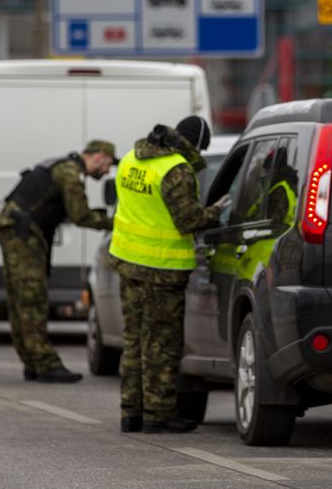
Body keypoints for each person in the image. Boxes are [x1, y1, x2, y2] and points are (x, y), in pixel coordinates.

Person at [109, 116, 227, 434]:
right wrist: (217, 210)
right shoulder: (176, 169)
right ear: (195, 143)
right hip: (161, 270)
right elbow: (188, 220)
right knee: (161, 344)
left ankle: (131, 413)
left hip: (127, 262)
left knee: (134, 342)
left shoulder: (132, 159)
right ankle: (158, 415)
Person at [0, 140, 117, 383]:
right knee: (31, 297)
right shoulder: (71, 172)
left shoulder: (62, 165)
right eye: (108, 164)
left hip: (15, 229)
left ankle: (32, 361)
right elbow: (80, 215)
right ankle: (45, 364)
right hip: (23, 233)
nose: (107, 171)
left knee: (20, 297)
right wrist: (117, 222)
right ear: (99, 157)